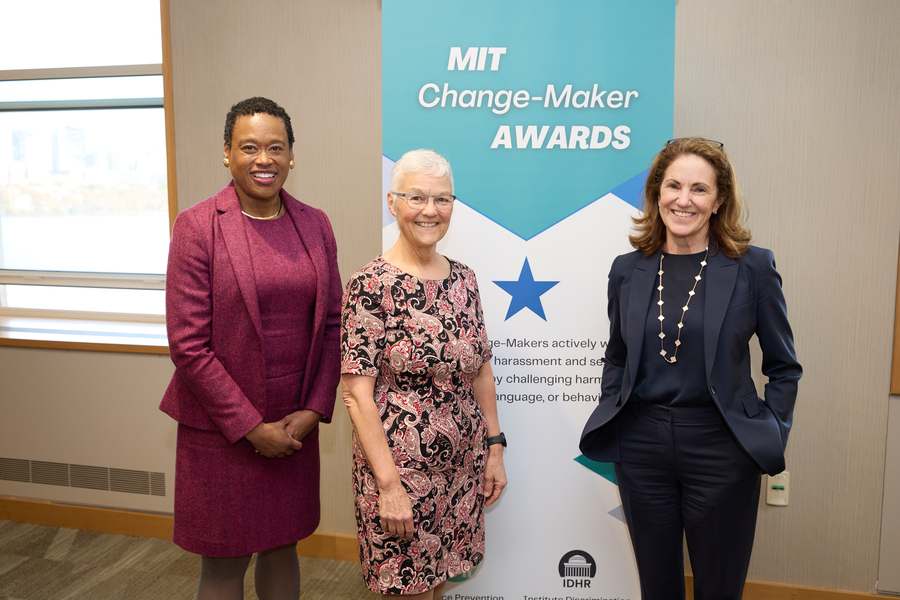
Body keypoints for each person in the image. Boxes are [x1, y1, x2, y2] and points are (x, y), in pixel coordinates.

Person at [580, 137, 802, 600]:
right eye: (673, 185)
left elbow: (784, 366)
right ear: (657, 192)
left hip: (722, 446)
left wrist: (771, 430)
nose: (684, 199)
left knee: (719, 587)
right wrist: (614, 406)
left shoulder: (752, 268)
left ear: (719, 200)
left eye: (699, 189)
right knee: (658, 587)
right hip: (641, 447)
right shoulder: (627, 270)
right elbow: (617, 355)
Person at [160, 97, 342, 600]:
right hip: (224, 430)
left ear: (290, 155)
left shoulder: (315, 223)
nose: (264, 159)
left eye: (275, 147)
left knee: (283, 546)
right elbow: (188, 345)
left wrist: (313, 409)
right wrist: (249, 427)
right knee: (224, 563)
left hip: (293, 424)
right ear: (226, 153)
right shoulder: (199, 226)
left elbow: (333, 325)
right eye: (249, 147)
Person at [340, 149, 508, 598]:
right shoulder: (369, 285)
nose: (430, 210)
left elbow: (481, 371)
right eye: (417, 197)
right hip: (400, 472)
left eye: (443, 199)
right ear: (392, 202)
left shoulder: (465, 280)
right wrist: (389, 486)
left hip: (461, 470)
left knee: (437, 588)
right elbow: (356, 394)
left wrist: (494, 449)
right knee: (409, 590)